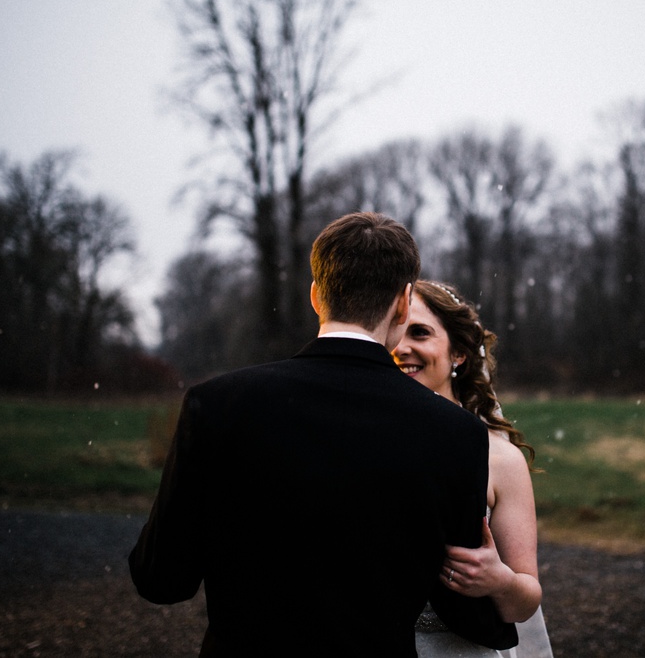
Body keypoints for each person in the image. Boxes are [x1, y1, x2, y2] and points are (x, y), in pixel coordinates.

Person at [129, 213, 517, 656]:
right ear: (404, 303)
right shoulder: (454, 432)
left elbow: (161, 580)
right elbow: (464, 610)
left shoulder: (217, 404)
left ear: (316, 296)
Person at [393, 280, 554, 658]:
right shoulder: (360, 443)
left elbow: (523, 603)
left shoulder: (498, 459)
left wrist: (498, 581)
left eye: (420, 333)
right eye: (394, 333)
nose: (401, 348)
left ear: (459, 354)